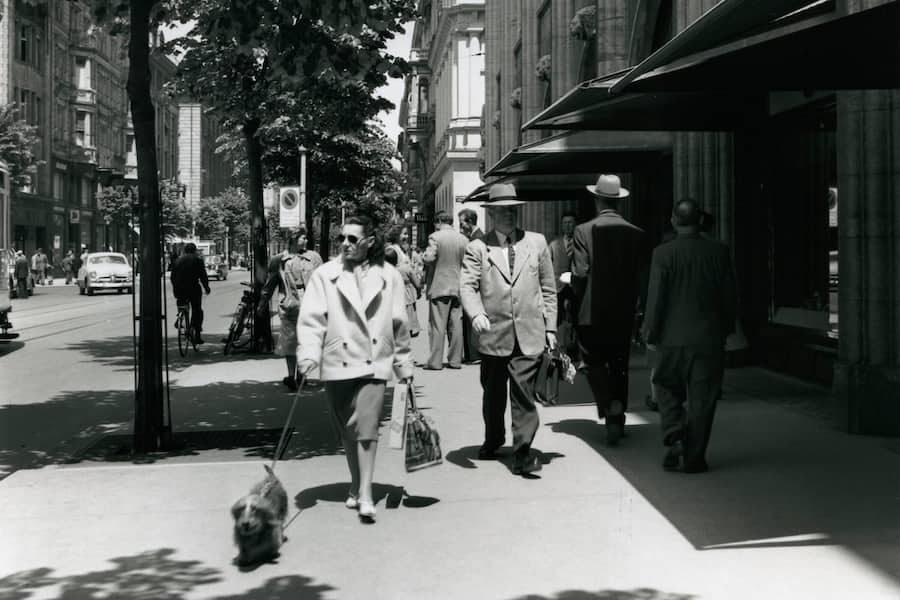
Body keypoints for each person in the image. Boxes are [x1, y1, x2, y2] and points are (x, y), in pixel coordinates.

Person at [296, 214, 413, 522]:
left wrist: (403, 364)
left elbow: (400, 323)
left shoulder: (390, 276)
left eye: (352, 239)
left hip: (375, 360)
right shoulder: (325, 274)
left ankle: (365, 492)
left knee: (366, 427)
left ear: (370, 242)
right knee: (348, 428)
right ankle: (355, 482)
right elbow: (311, 319)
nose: (344, 244)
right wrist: (308, 354)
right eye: (341, 239)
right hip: (338, 361)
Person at [460, 183, 558, 475]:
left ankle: (523, 451)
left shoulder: (537, 242)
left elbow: (549, 289)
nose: (508, 215)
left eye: (512, 210)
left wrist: (551, 328)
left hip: (529, 333)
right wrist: (476, 313)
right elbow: (467, 286)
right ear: (491, 214)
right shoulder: (478, 247)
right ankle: (493, 438)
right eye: (502, 211)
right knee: (493, 394)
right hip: (493, 334)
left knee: (523, 394)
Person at [643, 198, 737, 473]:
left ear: (674, 220)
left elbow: (656, 297)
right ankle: (695, 457)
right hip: (709, 339)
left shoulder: (662, 254)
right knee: (703, 399)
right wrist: (727, 328)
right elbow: (729, 296)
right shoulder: (719, 252)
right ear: (700, 220)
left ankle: (674, 433)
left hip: (671, 338)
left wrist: (650, 330)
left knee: (665, 385)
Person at [572, 174, 647, 447]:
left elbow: (580, 272)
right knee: (619, 364)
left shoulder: (583, 231)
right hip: (624, 310)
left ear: (597, 200)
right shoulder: (636, 233)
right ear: (618, 202)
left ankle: (608, 404)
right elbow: (640, 275)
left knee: (592, 361)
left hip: (591, 310)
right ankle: (617, 418)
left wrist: (573, 299)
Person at [259, 226, 323, 391]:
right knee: (290, 342)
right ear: (294, 239)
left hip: (311, 306)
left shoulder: (314, 258)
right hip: (290, 306)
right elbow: (270, 284)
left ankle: (302, 374)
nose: (306, 241)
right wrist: (262, 303)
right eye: (303, 238)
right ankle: (290, 376)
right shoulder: (279, 260)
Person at [421, 211, 469, 370]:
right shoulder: (463, 239)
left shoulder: (435, 237)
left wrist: (423, 256)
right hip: (458, 287)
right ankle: (455, 360)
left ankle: (435, 361)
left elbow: (429, 258)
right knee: (456, 326)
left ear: (438, 222)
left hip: (439, 285)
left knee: (437, 325)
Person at [170, 242, 210, 344]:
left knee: (181, 302)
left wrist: (175, 287)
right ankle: (197, 335)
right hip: (193, 288)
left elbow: (172, 277)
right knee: (197, 310)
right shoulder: (198, 260)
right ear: (194, 250)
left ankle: (180, 316)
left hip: (179, 289)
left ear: (185, 251)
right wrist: (206, 288)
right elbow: (203, 276)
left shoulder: (177, 261)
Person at [458, 207, 484, 364]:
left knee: (472, 320)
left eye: (462, 224)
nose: (461, 228)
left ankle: (475, 354)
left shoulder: (477, 239)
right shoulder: (474, 237)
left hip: (477, 288)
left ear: (470, 222)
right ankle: (472, 354)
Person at [386, 224, 422, 338]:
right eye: (404, 234)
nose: (406, 237)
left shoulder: (402, 250)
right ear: (396, 235)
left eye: (407, 234)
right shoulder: (391, 251)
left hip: (407, 292)